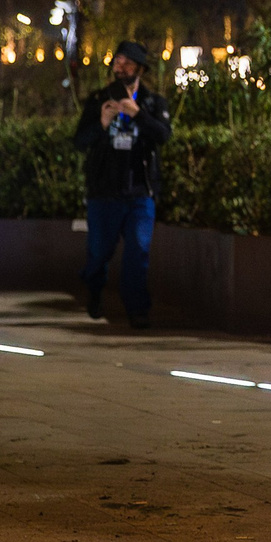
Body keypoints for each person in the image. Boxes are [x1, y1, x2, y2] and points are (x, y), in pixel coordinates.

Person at [74, 40, 171, 328]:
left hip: (140, 192)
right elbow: (79, 141)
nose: (121, 67)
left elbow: (164, 135)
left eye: (128, 63)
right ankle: (93, 289)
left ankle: (137, 310)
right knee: (99, 253)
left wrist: (137, 114)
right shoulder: (98, 100)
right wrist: (102, 123)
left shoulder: (152, 102)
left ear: (139, 69)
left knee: (138, 252)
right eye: (118, 62)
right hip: (104, 192)